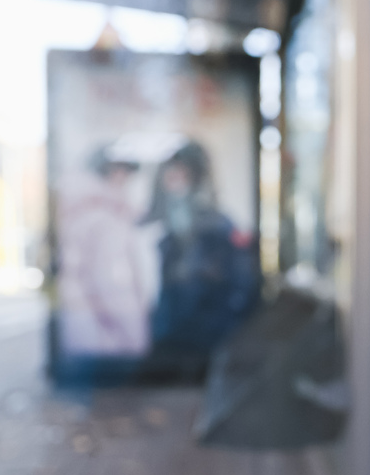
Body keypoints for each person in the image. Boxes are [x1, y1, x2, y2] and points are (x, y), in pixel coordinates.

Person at [143, 142, 258, 361]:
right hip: (166, 343)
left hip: (207, 342)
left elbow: (240, 284)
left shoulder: (220, 227)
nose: (175, 184)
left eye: (183, 176)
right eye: (171, 176)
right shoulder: (155, 231)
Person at [58, 147, 154, 356]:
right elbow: (113, 284)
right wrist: (135, 341)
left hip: (83, 330)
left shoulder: (80, 211)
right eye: (121, 171)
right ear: (111, 173)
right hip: (107, 339)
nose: (126, 179)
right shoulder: (107, 220)